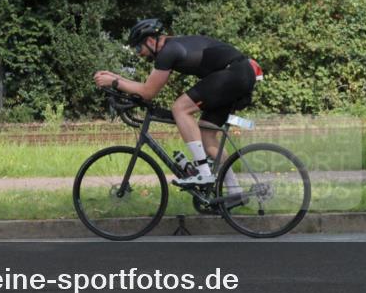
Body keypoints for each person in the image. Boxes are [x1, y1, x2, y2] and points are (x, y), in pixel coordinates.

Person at [93, 18, 262, 200]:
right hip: (239, 72)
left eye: (137, 48)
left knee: (180, 108)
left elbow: (148, 92)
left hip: (233, 74)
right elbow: (146, 87)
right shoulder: (172, 48)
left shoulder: (169, 51)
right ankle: (234, 191)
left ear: (150, 41)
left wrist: (115, 82)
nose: (138, 54)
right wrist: (115, 78)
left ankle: (203, 172)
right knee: (206, 132)